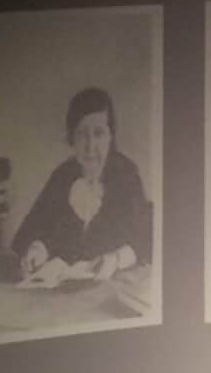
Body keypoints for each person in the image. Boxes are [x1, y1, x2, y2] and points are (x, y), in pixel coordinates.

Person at [9, 87, 152, 287]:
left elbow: (146, 238)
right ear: (72, 138)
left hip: (110, 289)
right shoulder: (62, 176)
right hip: (58, 291)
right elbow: (33, 227)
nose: (90, 146)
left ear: (110, 137)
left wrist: (116, 259)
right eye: (82, 134)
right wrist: (38, 248)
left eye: (99, 133)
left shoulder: (127, 174)